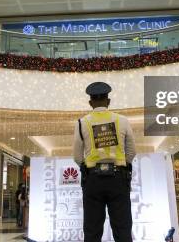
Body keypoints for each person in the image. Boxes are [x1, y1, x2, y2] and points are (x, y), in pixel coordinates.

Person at [73, 82, 136, 242]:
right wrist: (121, 165)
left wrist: (88, 167)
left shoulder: (82, 123)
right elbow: (131, 152)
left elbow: (77, 156)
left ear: (90, 102)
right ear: (108, 101)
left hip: (93, 181)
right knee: (123, 229)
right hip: (118, 180)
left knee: (92, 231)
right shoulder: (122, 120)